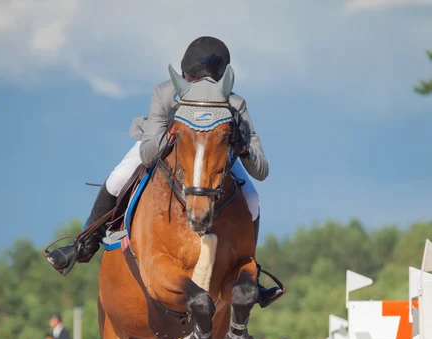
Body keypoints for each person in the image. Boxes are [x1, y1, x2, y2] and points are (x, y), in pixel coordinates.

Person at [45, 36, 283, 308]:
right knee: (119, 176)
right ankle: (85, 242)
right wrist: (174, 133)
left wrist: (241, 148)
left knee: (251, 198)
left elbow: (261, 170)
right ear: (185, 77)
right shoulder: (165, 93)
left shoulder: (235, 104)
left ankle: (250, 272)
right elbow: (147, 153)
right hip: (167, 146)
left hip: (214, 153)